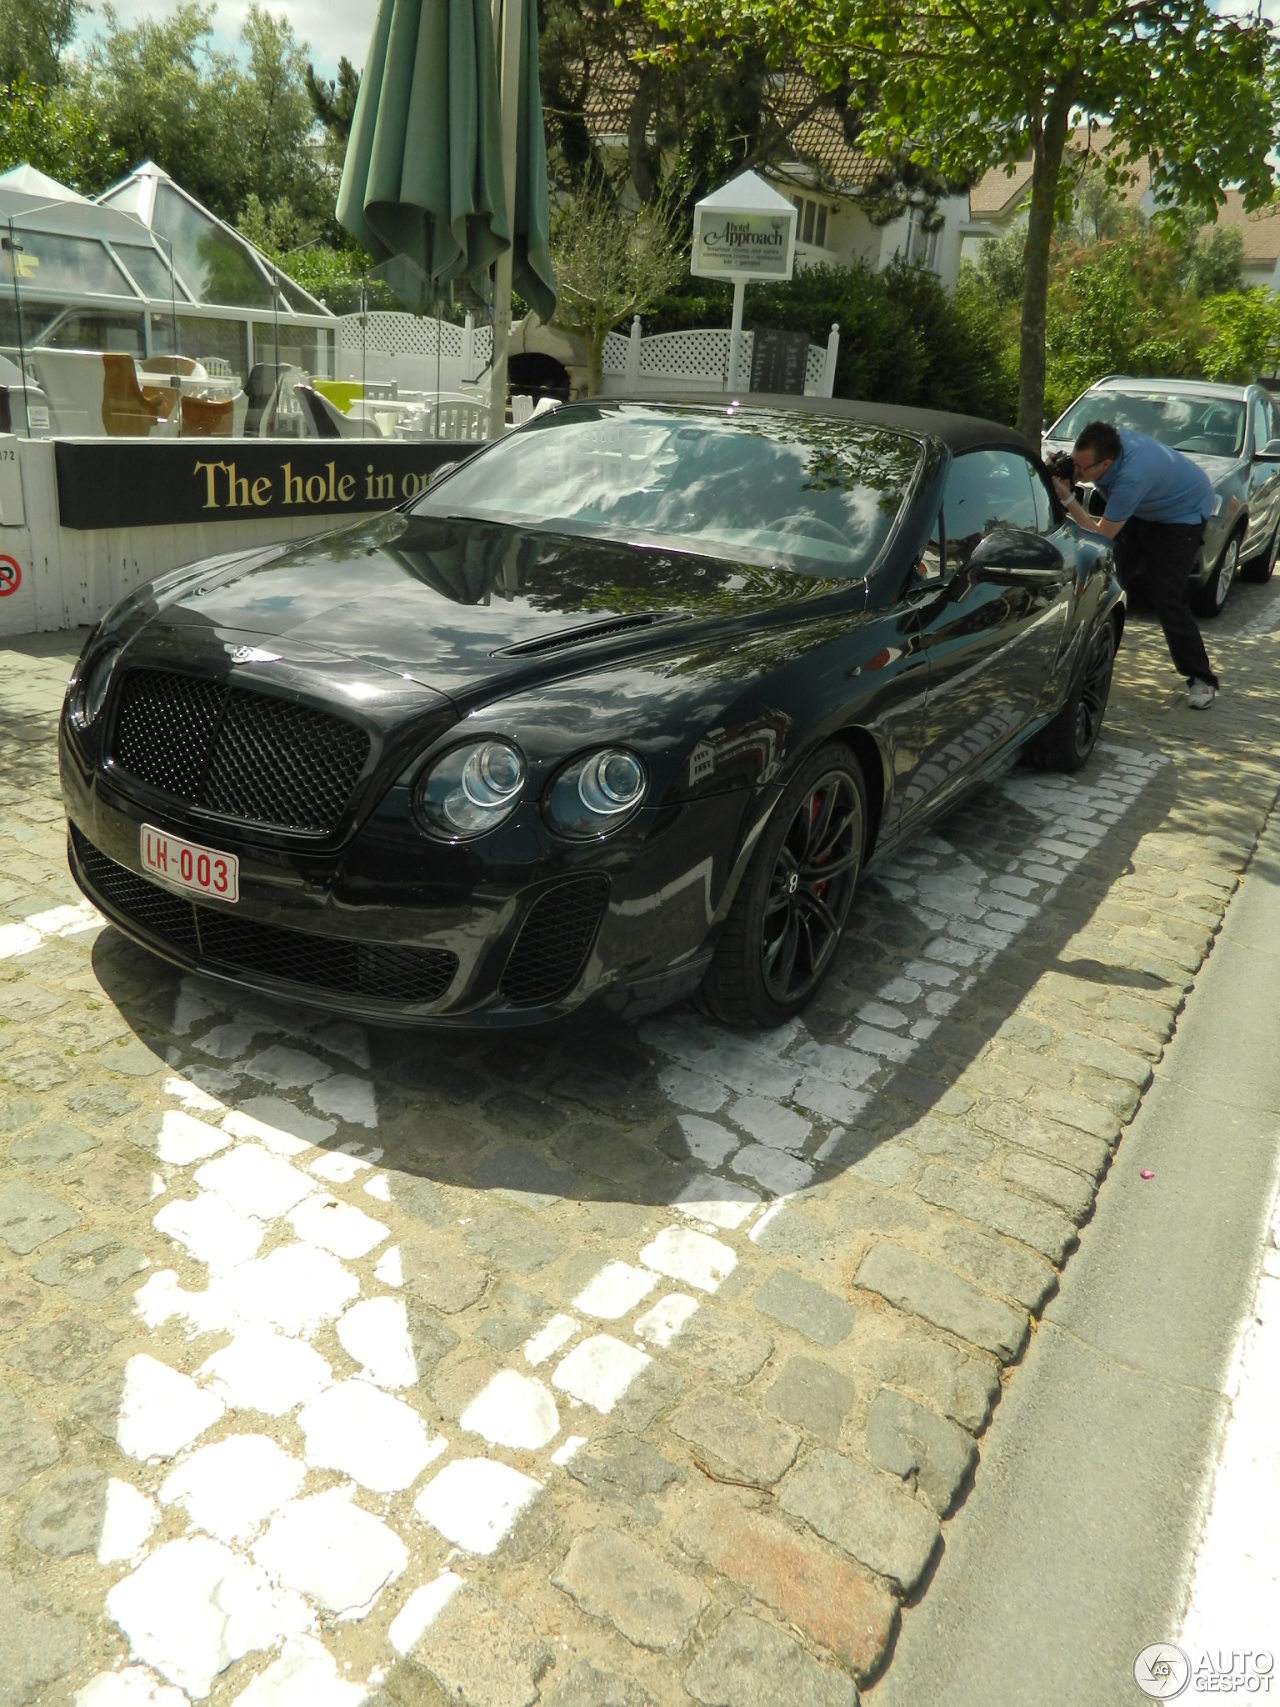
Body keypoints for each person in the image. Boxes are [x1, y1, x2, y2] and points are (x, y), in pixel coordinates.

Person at [1050, 419, 1219, 709]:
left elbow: (1102, 535)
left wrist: (1067, 498)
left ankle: (1201, 679)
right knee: (1103, 583)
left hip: (1181, 517)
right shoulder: (1106, 447)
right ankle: (1086, 665)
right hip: (1143, 508)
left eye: (1082, 469)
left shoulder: (1132, 476)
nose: (1077, 472)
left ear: (1106, 464)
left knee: (1168, 599)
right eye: (1074, 463)